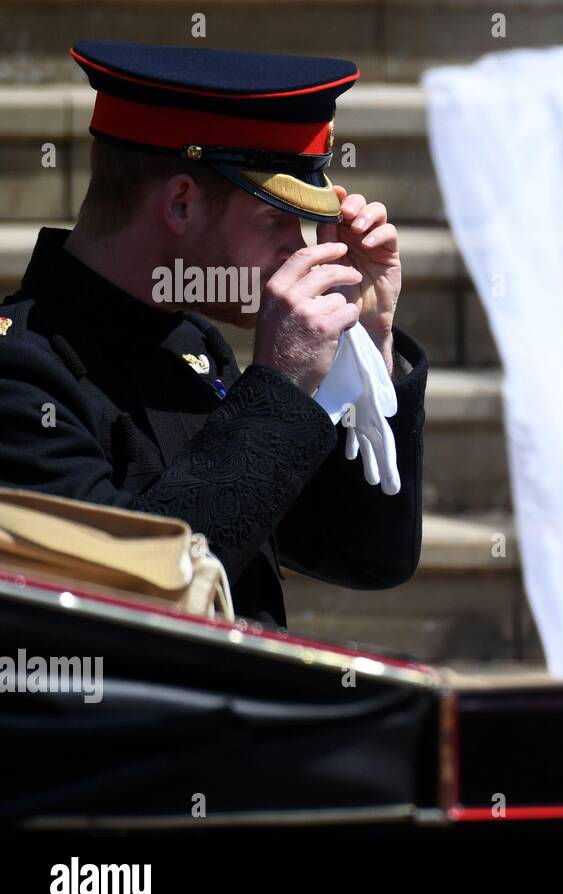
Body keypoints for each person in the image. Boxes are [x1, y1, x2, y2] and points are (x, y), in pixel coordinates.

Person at [0, 40, 428, 628]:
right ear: (180, 204)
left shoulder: (194, 345)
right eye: (278, 218)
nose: (298, 251)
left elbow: (364, 555)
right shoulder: (20, 374)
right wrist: (277, 385)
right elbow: (130, 607)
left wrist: (372, 341)